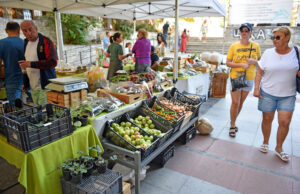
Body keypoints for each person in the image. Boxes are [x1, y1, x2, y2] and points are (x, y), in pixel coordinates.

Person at [247, 27, 299, 162]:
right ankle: (265, 141)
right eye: (273, 37)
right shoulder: (268, 53)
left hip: (288, 94)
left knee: (285, 122)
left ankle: (279, 147)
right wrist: (256, 89)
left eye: (278, 37)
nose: (274, 40)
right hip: (268, 93)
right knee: (267, 119)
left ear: (287, 38)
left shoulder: (296, 52)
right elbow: (259, 71)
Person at [226, 23, 261, 137]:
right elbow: (228, 63)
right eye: (242, 30)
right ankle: (232, 125)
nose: (244, 32)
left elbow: (261, 62)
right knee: (235, 102)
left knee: (240, 103)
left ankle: (234, 122)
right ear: (240, 32)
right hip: (236, 77)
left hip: (249, 78)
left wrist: (253, 62)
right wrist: (241, 64)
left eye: (247, 30)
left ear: (251, 32)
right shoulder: (234, 46)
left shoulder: (256, 46)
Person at [19, 20, 57, 106]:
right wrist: (25, 83)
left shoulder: (46, 41)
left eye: (30, 29)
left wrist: (31, 64)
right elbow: (25, 65)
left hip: (46, 86)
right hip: (33, 87)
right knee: (38, 113)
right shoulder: (25, 42)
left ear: (36, 28)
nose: (28, 33)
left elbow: (53, 62)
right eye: (25, 31)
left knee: (46, 113)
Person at [0, 22, 24, 105]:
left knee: (14, 107)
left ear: (6, 30)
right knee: (33, 105)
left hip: (11, 78)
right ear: (19, 30)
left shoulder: (1, 43)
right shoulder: (25, 42)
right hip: (28, 77)